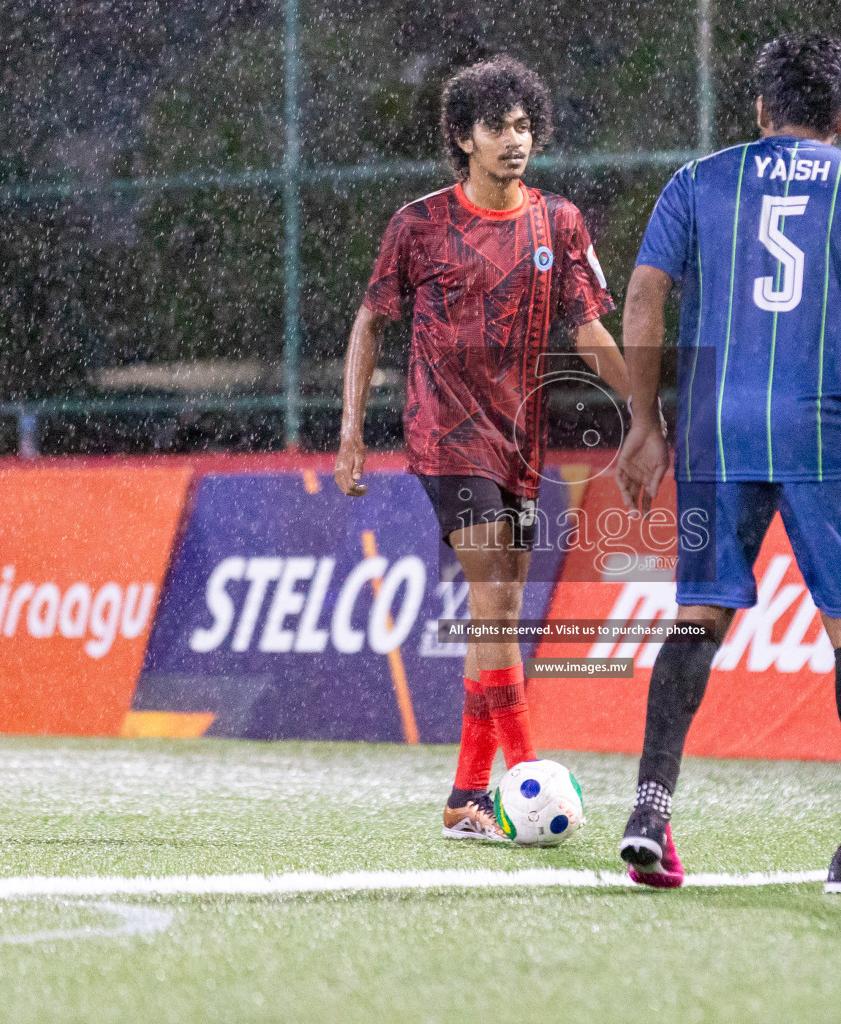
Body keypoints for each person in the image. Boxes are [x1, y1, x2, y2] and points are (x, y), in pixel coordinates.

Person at [615, 35, 841, 894]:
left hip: (716, 428)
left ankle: (650, 814)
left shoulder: (697, 181)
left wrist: (641, 420)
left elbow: (643, 294)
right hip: (826, 428)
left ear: (760, 111)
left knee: (698, 613)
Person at [335, 56, 628, 842]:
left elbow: (590, 327)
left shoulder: (559, 223)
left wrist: (643, 411)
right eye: (497, 127)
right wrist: (352, 429)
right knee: (494, 595)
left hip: (520, 441)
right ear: (463, 138)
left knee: (496, 612)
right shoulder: (420, 223)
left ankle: (467, 799)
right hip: (444, 432)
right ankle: (529, 771)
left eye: (524, 125)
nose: (514, 140)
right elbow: (371, 321)